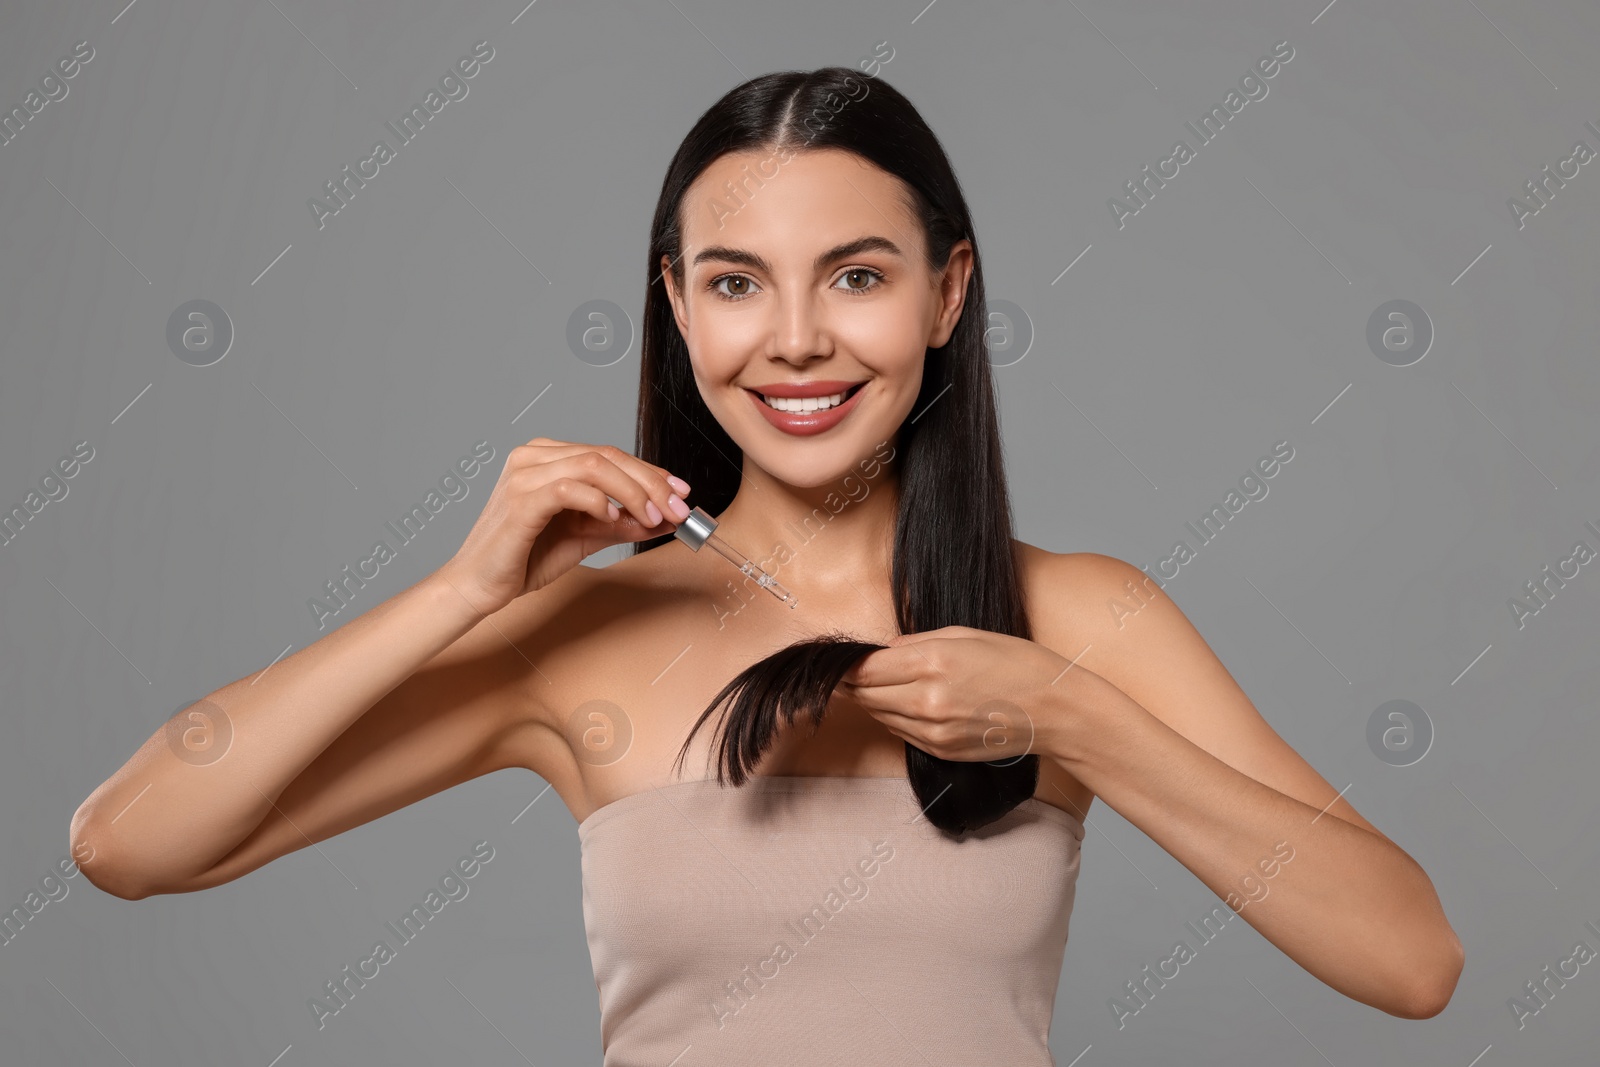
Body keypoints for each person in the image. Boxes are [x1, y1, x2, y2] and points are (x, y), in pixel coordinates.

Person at [69, 66, 1463, 1062]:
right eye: (735, 283)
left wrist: (1069, 715)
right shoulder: (577, 643)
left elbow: (1411, 963)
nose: (795, 340)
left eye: (856, 276)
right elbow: (128, 846)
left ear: (947, 294)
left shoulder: (1079, 618)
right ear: (678, 308)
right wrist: (459, 595)